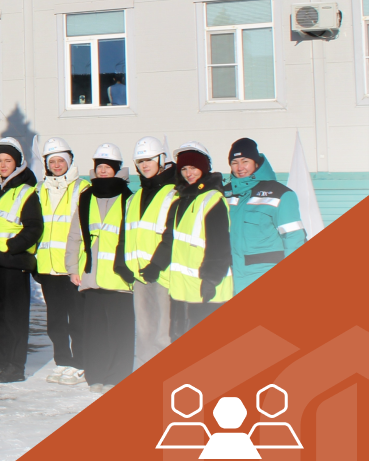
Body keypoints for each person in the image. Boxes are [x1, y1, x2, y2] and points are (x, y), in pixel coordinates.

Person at [143, 142, 233, 340]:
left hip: (206, 290)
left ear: (204, 167)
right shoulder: (180, 201)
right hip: (182, 289)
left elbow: (219, 245)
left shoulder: (213, 199)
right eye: (184, 169)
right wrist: (156, 265)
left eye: (193, 167)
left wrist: (211, 279)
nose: (188, 173)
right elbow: (170, 239)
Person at [66, 144, 135, 393]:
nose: (103, 171)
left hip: (120, 279)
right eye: (99, 167)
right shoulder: (86, 197)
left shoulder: (129, 198)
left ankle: (118, 376)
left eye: (108, 167)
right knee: (94, 332)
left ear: (117, 169)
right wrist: (72, 267)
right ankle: (96, 374)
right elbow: (75, 235)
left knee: (119, 332)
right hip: (92, 277)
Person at [0, 137, 43, 383]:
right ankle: (2, 362)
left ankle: (15, 367)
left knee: (14, 318)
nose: (3, 165)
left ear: (17, 163)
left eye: (8, 160)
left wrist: (11, 247)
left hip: (14, 265)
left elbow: (34, 227)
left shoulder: (26, 192)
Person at [34, 137, 88, 386]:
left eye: (60, 160)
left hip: (73, 268)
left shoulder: (82, 188)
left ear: (69, 161)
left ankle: (80, 363)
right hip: (48, 267)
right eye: (52, 161)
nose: (56, 165)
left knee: (77, 319)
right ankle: (62, 361)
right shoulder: (40, 190)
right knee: (55, 321)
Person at [224, 138, 306, 294]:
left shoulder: (280, 194)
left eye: (245, 161)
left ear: (256, 162)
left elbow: (294, 238)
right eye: (234, 162)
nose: (240, 167)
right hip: (230, 277)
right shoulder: (224, 193)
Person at [124, 137, 177, 367]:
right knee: (144, 332)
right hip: (140, 276)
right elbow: (127, 233)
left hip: (163, 274)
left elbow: (172, 234)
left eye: (149, 160)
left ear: (161, 160)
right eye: (140, 161)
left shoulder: (173, 193)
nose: (144, 165)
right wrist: (125, 265)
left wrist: (157, 265)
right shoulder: (135, 197)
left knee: (163, 334)